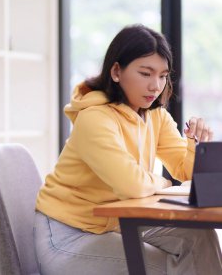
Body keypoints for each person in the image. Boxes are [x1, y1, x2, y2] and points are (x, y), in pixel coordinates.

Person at [33, 24, 222, 275]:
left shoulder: (156, 117)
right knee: (170, 266)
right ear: (116, 71)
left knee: (198, 236)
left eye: (163, 75)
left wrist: (196, 145)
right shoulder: (95, 118)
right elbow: (131, 185)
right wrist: (164, 184)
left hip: (116, 225)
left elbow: (186, 173)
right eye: (146, 73)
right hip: (70, 235)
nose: (156, 86)